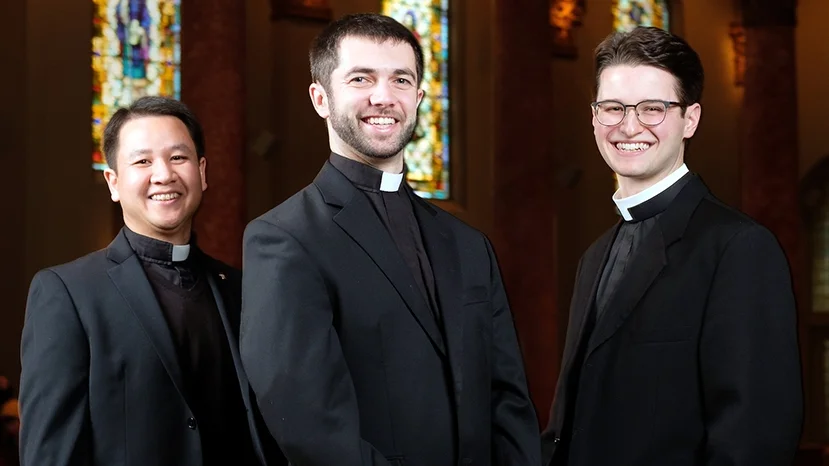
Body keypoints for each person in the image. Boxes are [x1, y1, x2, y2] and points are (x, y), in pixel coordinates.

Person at [240, 13, 540, 466]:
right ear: (321, 98)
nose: (384, 97)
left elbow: (509, 398)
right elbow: (308, 421)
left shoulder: (468, 243)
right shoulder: (283, 239)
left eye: (401, 80)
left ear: (418, 97)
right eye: (362, 78)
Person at [541, 27, 803, 466]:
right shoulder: (594, 256)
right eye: (612, 108)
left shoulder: (738, 248)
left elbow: (753, 442)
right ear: (594, 117)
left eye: (653, 109)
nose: (629, 126)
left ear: (691, 119)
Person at [20, 96, 283, 466]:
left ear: (202, 172)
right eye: (142, 161)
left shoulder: (239, 288)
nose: (164, 174)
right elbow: (51, 453)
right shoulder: (68, 293)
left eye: (179, 158)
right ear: (113, 182)